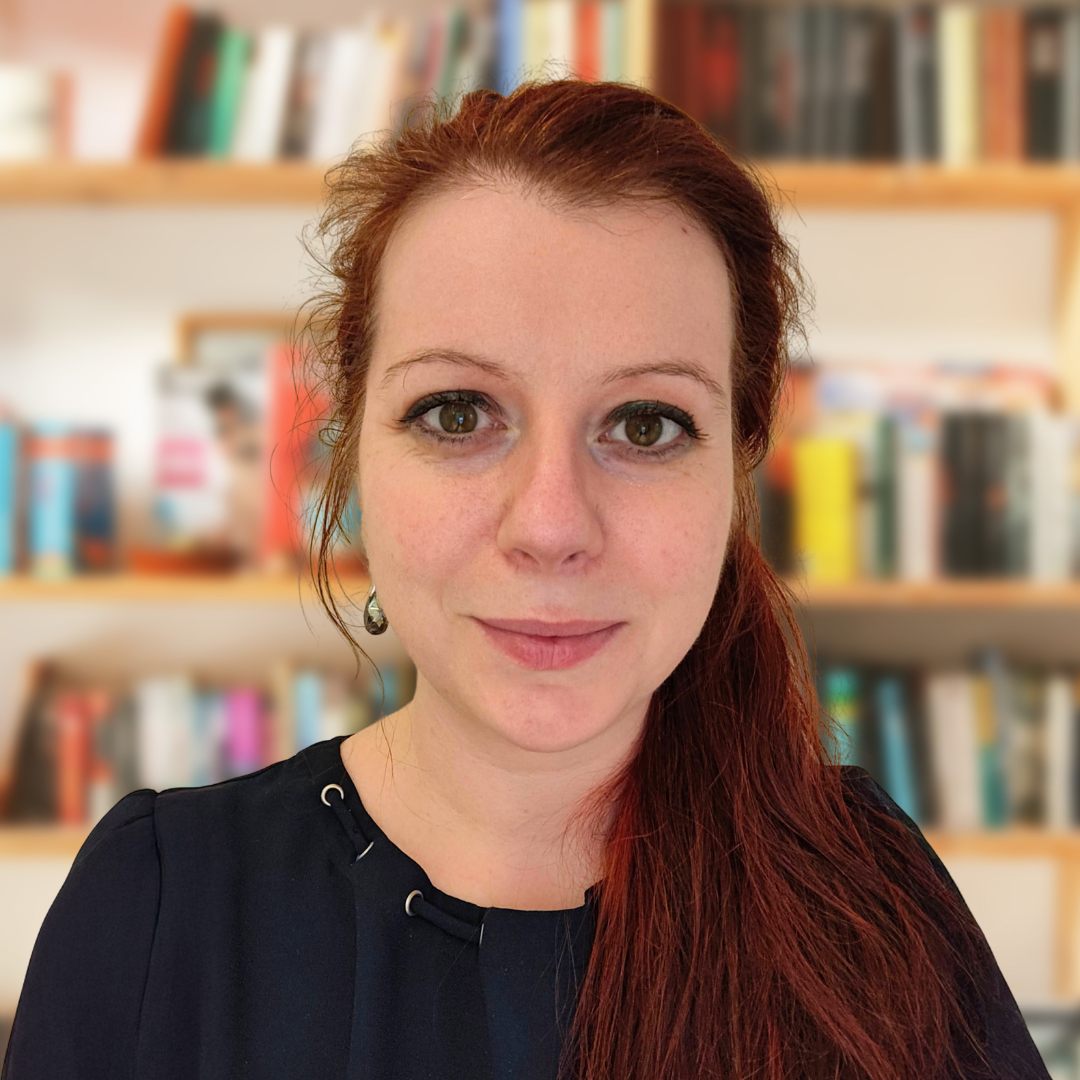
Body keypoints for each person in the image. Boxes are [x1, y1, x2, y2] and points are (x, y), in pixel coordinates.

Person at [2, 80, 1050, 1080]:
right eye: (457, 413)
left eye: (647, 425)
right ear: (351, 454)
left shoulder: (866, 893)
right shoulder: (155, 904)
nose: (551, 527)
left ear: (739, 471)